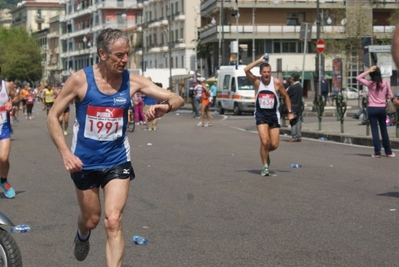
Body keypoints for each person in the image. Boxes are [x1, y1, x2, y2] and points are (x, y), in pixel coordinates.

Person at [46, 28, 184, 266]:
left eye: (126, 54)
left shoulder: (132, 81)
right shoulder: (80, 80)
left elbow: (176, 97)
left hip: (117, 160)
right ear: (102, 54)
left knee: (113, 220)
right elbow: (52, 116)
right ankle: (82, 235)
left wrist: (167, 106)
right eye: (119, 55)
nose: (124, 60)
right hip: (84, 162)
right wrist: (65, 153)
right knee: (91, 220)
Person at [244, 56, 294, 176]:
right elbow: (246, 69)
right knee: (265, 142)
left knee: (274, 145)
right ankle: (265, 166)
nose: (266, 75)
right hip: (261, 114)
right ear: (261, 73)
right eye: (264, 72)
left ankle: (266, 153)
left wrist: (290, 111)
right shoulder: (257, 82)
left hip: (273, 114)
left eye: (268, 72)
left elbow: (286, 96)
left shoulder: (276, 83)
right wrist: (260, 61)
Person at [356, 65, 395, 158]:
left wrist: (368, 70)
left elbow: (358, 77)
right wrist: (383, 98)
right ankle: (388, 152)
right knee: (384, 131)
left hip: (372, 109)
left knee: (374, 131)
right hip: (382, 109)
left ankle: (377, 153)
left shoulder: (370, 83)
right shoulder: (385, 83)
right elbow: (390, 96)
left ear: (371, 74)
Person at [0, 78, 17, 198]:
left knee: (4, 158)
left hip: (3, 127)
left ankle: (3, 180)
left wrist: (12, 102)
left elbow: (17, 97)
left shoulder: (7, 86)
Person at [286, 73, 303, 142]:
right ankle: (298, 136)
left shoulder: (293, 87)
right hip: (299, 106)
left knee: (293, 122)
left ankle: (294, 136)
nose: (289, 80)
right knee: (298, 121)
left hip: (293, 106)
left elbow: (286, 94)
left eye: (290, 78)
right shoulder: (300, 86)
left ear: (293, 79)